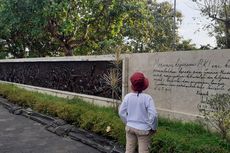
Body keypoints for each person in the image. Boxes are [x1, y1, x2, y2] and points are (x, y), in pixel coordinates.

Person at [119, 72, 158, 153]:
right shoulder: (148, 98)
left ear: (132, 85)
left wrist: (127, 122)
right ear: (144, 85)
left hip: (130, 128)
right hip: (143, 130)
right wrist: (153, 127)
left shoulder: (127, 97)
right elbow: (153, 115)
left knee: (129, 150)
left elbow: (121, 112)